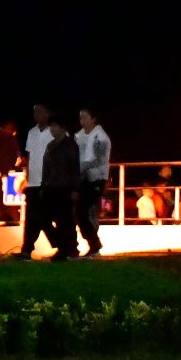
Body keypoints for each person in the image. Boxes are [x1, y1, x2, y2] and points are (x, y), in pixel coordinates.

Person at [35, 107, 80, 258]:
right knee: (44, 218)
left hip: (65, 188)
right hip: (51, 187)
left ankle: (67, 249)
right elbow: (46, 168)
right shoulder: (51, 146)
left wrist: (74, 189)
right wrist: (43, 185)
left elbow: (74, 168)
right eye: (51, 126)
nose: (52, 129)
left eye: (55, 126)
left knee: (65, 220)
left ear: (63, 128)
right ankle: (64, 246)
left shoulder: (70, 145)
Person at [20, 104, 61, 257]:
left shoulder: (54, 131)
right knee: (31, 218)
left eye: (40, 112)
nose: (37, 116)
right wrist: (27, 178)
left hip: (48, 182)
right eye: (35, 113)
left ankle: (60, 243)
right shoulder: (32, 132)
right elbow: (30, 156)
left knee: (43, 217)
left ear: (48, 113)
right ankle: (26, 249)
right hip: (33, 182)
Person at [74, 107, 112, 257]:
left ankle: (94, 245)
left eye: (85, 117)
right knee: (81, 211)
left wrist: (79, 168)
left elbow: (97, 159)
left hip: (97, 179)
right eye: (80, 117)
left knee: (82, 210)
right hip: (84, 179)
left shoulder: (101, 138)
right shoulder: (80, 136)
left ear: (93, 119)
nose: (82, 121)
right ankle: (93, 244)